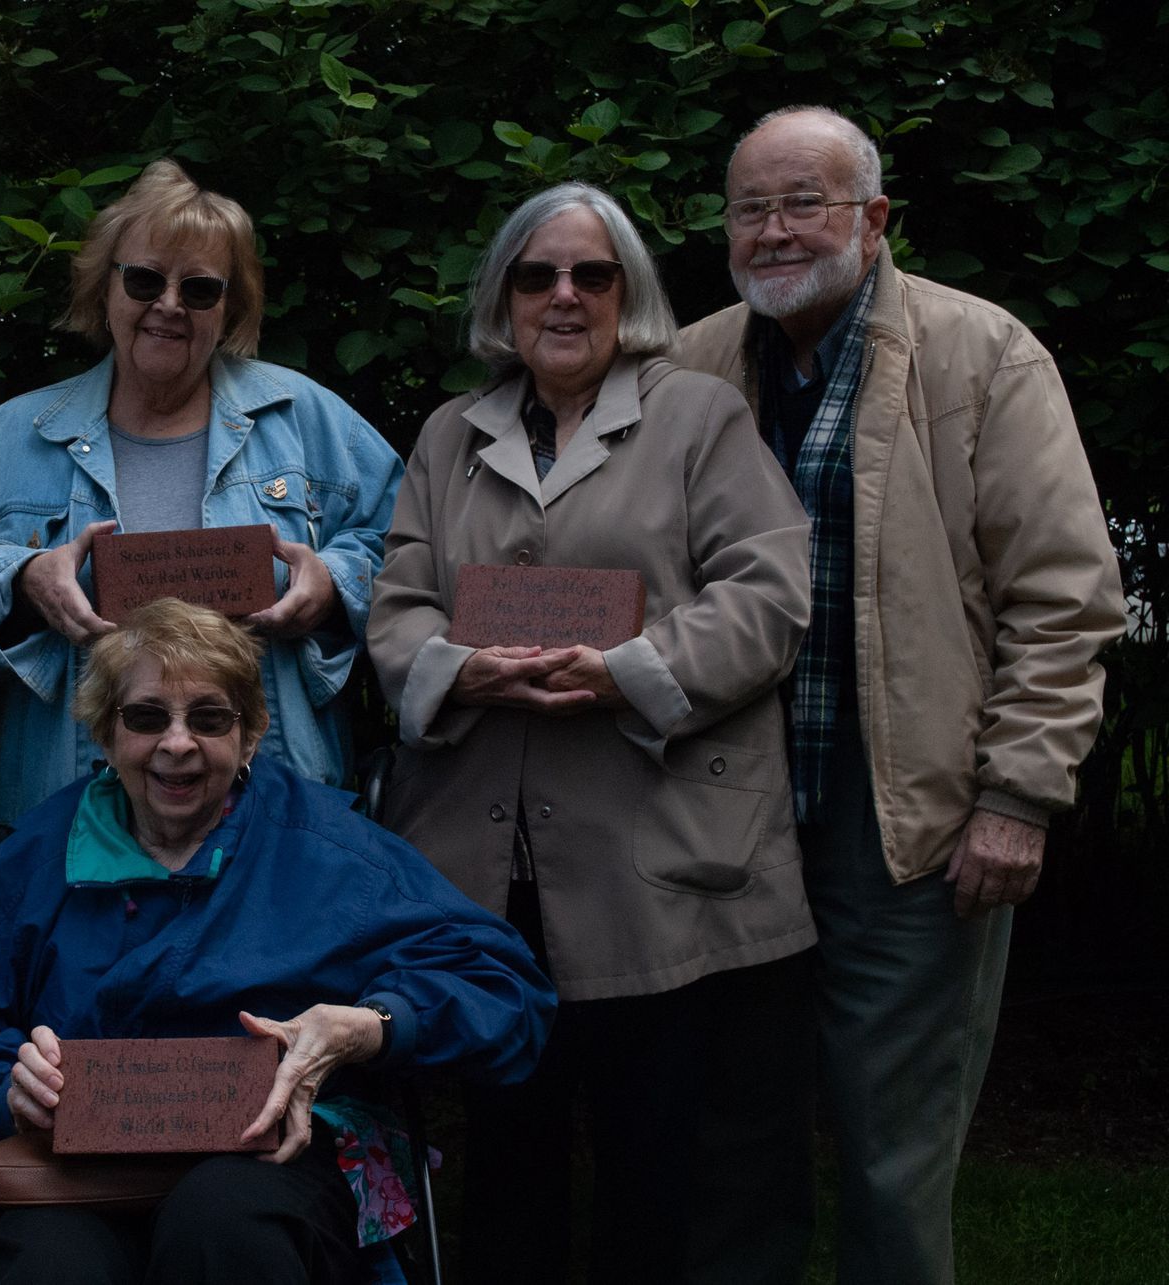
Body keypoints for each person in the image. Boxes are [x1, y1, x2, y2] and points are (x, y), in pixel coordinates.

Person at [673, 106, 1125, 1283]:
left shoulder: (984, 355)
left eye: (804, 203)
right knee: (734, 1147)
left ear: (873, 220)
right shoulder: (688, 365)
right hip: (727, 821)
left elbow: (1065, 597)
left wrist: (1018, 794)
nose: (775, 231)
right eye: (751, 209)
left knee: (895, 1156)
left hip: (906, 825)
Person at [367, 182, 817, 1284]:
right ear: (504, 298)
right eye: (537, 275)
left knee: (651, 1160)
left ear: (630, 294)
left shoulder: (699, 417)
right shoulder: (449, 434)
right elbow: (398, 606)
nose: (563, 296)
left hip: (652, 855)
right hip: (486, 862)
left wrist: (629, 674)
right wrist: (462, 668)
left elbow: (768, 595)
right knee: (506, 1151)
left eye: (592, 275)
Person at [0, 597, 554, 1285]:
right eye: (147, 717)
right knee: (52, 1268)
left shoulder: (328, 853)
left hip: (273, 1159)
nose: (178, 743)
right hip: (62, 1167)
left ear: (250, 735)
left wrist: (369, 1025)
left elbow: (504, 985)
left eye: (209, 718)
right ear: (105, 732)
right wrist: (7, 1091)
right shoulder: (31, 863)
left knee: (223, 1225)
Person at [0, 160, 403, 823]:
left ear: (230, 306)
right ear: (105, 288)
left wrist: (334, 583)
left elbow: (410, 556)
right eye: (145, 280)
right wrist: (25, 580)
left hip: (274, 804)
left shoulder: (308, 420)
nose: (169, 305)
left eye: (199, 289)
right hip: (69, 804)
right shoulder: (13, 437)